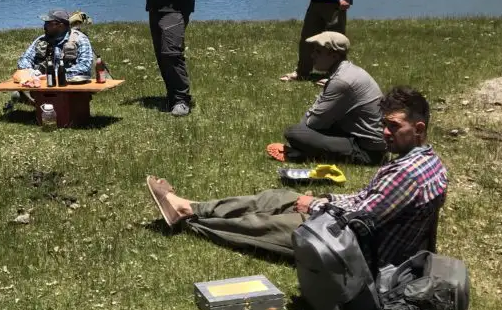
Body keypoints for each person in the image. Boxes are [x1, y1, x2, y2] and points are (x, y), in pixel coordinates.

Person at [145, 86, 447, 268]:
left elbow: (360, 220)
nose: (385, 132)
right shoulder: (429, 162)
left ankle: (190, 219)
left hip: (356, 250)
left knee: (264, 225)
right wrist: (325, 198)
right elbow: (368, 200)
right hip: (357, 232)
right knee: (276, 197)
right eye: (385, 124)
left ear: (418, 129)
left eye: (394, 126)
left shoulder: (406, 174)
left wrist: (315, 207)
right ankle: (191, 206)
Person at [266, 31, 386, 164]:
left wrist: (325, 90)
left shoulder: (341, 81)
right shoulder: (348, 71)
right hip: (367, 140)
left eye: (318, 52)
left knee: (294, 133)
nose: (312, 55)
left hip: (367, 151)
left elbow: (313, 123)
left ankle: (302, 154)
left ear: (333, 55)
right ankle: (304, 152)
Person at [8, 9, 95, 108]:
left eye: (48, 23)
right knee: (16, 94)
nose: (44, 26)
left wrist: (55, 75)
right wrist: (31, 73)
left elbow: (85, 66)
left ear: (61, 25)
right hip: (43, 85)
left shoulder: (80, 39)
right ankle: (44, 105)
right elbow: (24, 60)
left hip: (69, 85)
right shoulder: (41, 40)